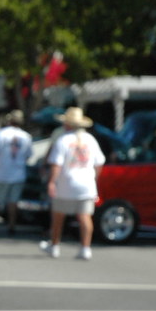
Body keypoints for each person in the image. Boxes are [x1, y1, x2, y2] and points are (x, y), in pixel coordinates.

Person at [39, 107, 106, 260]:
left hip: (66, 183)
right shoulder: (90, 139)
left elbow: (56, 164)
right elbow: (99, 162)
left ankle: (54, 245)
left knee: (58, 215)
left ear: (68, 124)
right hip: (86, 184)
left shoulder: (63, 140)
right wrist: (94, 178)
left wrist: (51, 182)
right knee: (84, 216)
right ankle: (85, 248)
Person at [0, 109, 33, 236]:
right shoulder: (26, 136)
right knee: (13, 202)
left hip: (2, 173)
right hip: (18, 173)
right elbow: (28, 155)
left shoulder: (1, 134)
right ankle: (12, 226)